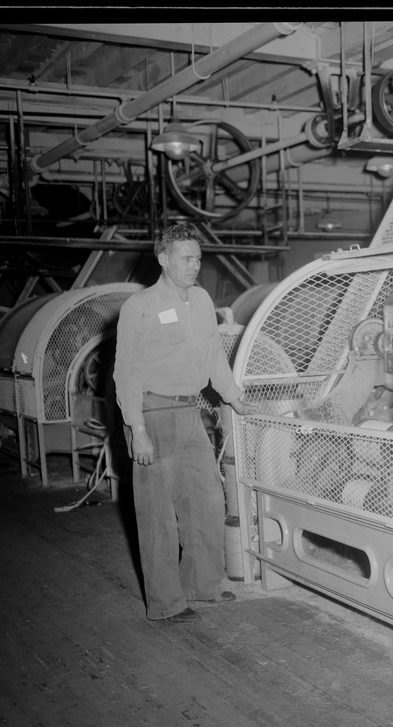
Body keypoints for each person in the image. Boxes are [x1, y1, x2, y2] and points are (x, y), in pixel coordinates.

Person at [114, 222, 256, 623]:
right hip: (153, 413)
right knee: (157, 512)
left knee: (207, 502)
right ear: (163, 258)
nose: (194, 265)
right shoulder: (140, 307)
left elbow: (214, 357)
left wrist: (233, 396)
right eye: (185, 258)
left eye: (198, 257)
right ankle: (165, 603)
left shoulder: (201, 299)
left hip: (190, 412)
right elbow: (126, 372)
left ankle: (203, 585)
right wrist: (136, 429)